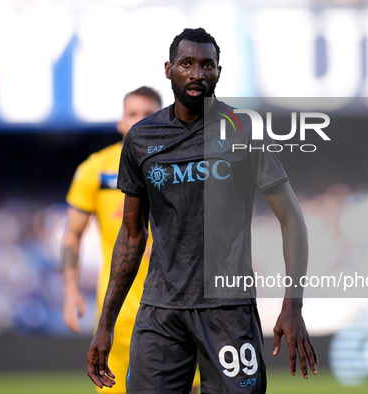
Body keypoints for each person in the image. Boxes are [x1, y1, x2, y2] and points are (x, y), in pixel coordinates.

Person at [87, 28, 318, 394]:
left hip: (228, 311)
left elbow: (291, 219)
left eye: (207, 65)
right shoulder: (142, 138)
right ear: (168, 70)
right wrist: (106, 322)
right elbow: (132, 234)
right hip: (160, 312)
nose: (197, 73)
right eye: (187, 64)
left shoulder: (243, 130)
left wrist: (293, 304)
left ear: (218, 72)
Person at [62, 86, 163, 394]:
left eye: (148, 115)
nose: (139, 121)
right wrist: (70, 292)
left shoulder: (183, 166)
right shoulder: (96, 169)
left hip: (171, 305)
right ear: (120, 122)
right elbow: (72, 235)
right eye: (132, 114)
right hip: (116, 309)